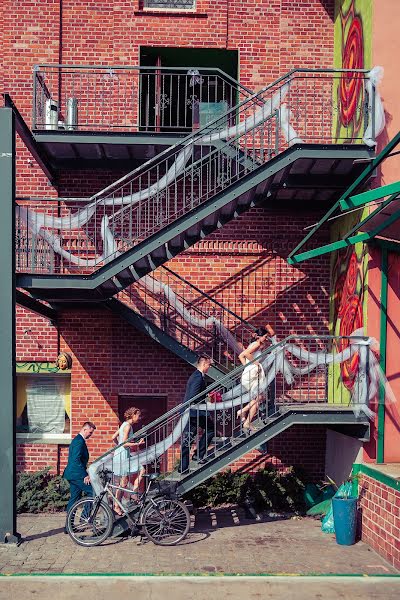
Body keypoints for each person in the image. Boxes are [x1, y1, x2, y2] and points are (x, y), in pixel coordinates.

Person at [179, 355, 214, 474]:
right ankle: (193, 459)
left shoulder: (198, 376)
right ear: (204, 364)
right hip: (193, 413)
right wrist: (206, 399)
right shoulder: (197, 378)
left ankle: (190, 461)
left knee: (190, 438)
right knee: (190, 439)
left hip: (195, 413)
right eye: (209, 365)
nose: (209, 367)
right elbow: (194, 396)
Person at [63, 421, 96, 533]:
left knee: (74, 499)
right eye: (90, 432)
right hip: (76, 474)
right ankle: (85, 518)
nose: (90, 435)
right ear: (85, 429)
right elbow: (76, 460)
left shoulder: (79, 440)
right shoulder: (79, 441)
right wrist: (85, 475)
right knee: (93, 492)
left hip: (73, 474)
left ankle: (68, 526)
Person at [111, 407, 145, 516]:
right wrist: (137, 444)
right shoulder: (128, 426)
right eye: (138, 415)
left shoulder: (123, 425)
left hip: (122, 454)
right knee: (124, 481)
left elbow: (113, 437)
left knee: (125, 481)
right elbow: (124, 443)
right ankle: (118, 504)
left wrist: (118, 448)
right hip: (122, 456)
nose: (139, 418)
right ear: (133, 415)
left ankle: (132, 495)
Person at [236, 328, 269, 432]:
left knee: (258, 399)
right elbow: (245, 354)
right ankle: (242, 411)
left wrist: (248, 367)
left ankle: (247, 422)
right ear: (259, 336)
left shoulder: (256, 344)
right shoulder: (256, 344)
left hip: (251, 373)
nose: (266, 338)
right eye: (265, 336)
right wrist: (255, 364)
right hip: (252, 375)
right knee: (259, 397)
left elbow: (241, 355)